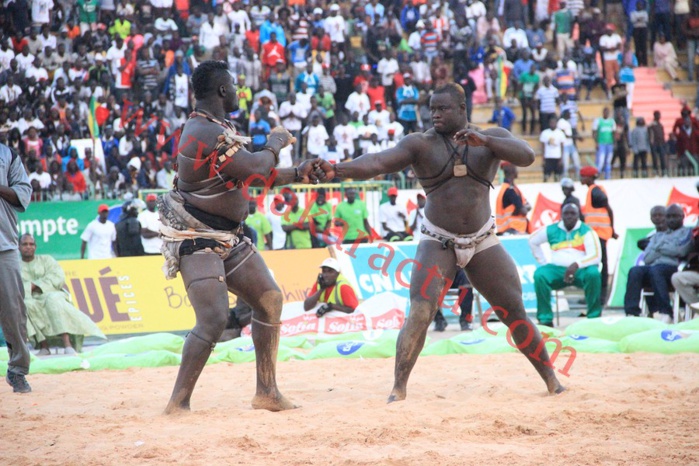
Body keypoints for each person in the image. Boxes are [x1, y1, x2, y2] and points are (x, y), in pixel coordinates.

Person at [321, 83, 565, 401]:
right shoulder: (420, 144)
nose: (435, 114)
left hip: (482, 239)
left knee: (514, 311)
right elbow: (378, 162)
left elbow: (528, 156)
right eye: (432, 108)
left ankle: (552, 381)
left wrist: (486, 141)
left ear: (463, 109)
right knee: (421, 312)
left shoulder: (491, 137)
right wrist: (336, 170)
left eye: (443, 108)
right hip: (438, 240)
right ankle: (399, 388)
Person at [157, 60, 325, 414]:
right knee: (214, 319)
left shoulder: (217, 127)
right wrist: (276, 142)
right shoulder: (202, 131)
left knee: (269, 299)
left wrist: (297, 172)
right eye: (233, 86)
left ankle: (267, 392)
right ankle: (177, 402)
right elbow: (257, 167)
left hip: (227, 236)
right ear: (221, 91)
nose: (238, 91)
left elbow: (249, 176)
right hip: (196, 237)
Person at [19, 234, 105, 356]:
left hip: (51, 293)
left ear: (36, 246)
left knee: (53, 300)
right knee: (26, 305)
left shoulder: (46, 260)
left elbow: (57, 277)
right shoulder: (14, 266)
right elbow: (13, 285)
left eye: (31, 244)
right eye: (25, 244)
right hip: (29, 298)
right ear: (18, 247)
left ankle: (67, 344)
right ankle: (44, 347)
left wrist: (36, 285)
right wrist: (28, 288)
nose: (28, 247)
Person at [529, 204, 602, 326]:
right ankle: (545, 319)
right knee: (540, 275)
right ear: (561, 215)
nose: (569, 217)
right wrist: (544, 262)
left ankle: (594, 318)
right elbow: (532, 241)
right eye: (566, 213)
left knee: (593, 274)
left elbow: (596, 256)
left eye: (572, 213)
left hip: (581, 270)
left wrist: (576, 265)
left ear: (578, 215)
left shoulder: (587, 231)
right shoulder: (552, 229)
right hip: (557, 269)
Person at [624, 204, 693, 323]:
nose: (671, 219)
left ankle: (666, 312)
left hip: (674, 268)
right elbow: (647, 258)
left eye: (675, 216)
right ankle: (632, 312)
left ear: (683, 216)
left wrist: (658, 248)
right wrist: (667, 248)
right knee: (635, 271)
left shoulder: (687, 233)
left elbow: (680, 251)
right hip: (655, 268)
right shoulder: (658, 235)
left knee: (656, 270)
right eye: (669, 216)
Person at [0, 143, 32, 393]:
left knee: (13, 310)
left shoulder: (7, 154)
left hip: (4, 243)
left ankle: (18, 370)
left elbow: (23, 193)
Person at [580, 166, 618, 305]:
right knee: (597, 264)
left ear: (589, 178)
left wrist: (612, 230)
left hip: (599, 234)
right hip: (596, 234)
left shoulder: (595, 191)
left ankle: (600, 296)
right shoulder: (593, 191)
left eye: (583, 176)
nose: (581, 179)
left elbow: (608, 209)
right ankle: (595, 295)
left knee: (599, 264)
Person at [495, 162, 531, 235]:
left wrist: (520, 209)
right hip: (513, 230)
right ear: (512, 171)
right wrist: (521, 209)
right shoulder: (510, 191)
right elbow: (524, 211)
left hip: (512, 230)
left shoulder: (512, 189)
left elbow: (528, 206)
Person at [539, 115, 566, 182]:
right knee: (546, 176)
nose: (552, 124)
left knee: (557, 176)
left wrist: (561, 158)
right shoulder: (545, 133)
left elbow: (562, 146)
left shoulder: (560, 133)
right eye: (551, 122)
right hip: (548, 156)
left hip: (557, 157)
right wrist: (543, 158)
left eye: (554, 122)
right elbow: (543, 146)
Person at [592, 108, 616, 179]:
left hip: (609, 144)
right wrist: (596, 142)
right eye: (605, 112)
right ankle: (597, 176)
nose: (606, 113)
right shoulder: (598, 121)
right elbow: (594, 132)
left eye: (607, 112)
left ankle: (607, 177)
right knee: (600, 161)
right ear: (603, 112)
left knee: (608, 161)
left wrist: (614, 143)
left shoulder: (612, 121)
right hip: (601, 143)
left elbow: (613, 133)